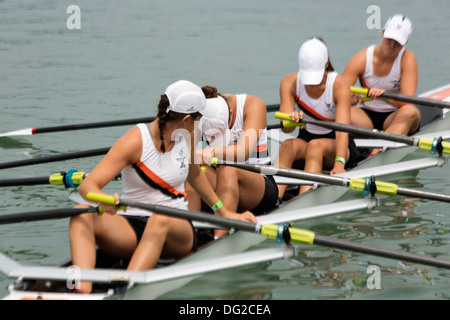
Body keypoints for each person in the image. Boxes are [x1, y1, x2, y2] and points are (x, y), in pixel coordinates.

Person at [69, 80, 257, 293]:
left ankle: (126, 290)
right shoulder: (135, 140)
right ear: (187, 119)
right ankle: (80, 291)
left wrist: (224, 211)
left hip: (177, 229)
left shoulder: (186, 138)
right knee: (81, 214)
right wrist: (102, 199)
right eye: (198, 119)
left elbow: (195, 175)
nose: (199, 124)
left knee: (159, 220)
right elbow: (88, 186)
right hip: (132, 224)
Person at [185, 85, 279, 235]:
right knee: (190, 167)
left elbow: (243, 152)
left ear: (231, 112)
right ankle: (190, 235)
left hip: (259, 185)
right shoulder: (201, 111)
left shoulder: (253, 105)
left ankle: (219, 238)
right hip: (221, 182)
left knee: (228, 168)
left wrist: (212, 151)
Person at [275, 37, 358, 197]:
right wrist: (291, 121)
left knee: (315, 146)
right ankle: (274, 197)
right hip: (307, 139)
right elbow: (287, 129)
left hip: (340, 146)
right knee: (287, 145)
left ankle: (304, 199)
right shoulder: (288, 83)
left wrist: (339, 163)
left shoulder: (339, 86)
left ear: (326, 63)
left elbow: (342, 130)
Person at [342, 15, 420, 156]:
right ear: (383, 33)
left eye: (397, 42)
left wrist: (385, 97)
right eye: (389, 39)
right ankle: (339, 152)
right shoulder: (362, 58)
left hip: (395, 116)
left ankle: (378, 152)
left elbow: (408, 99)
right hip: (365, 118)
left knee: (410, 111)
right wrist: (349, 98)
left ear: (405, 42)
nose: (391, 46)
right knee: (337, 109)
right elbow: (337, 93)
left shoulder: (407, 59)